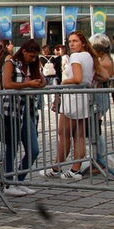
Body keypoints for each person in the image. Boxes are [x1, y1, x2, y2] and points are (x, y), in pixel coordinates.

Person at [44, 31, 100, 180]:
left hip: (73, 98)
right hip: (83, 98)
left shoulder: (76, 56)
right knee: (79, 136)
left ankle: (56, 168)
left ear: (83, 42)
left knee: (64, 135)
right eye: (70, 41)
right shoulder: (89, 56)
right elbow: (99, 76)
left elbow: (77, 78)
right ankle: (75, 169)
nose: (71, 44)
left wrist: (63, 83)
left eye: (75, 41)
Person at [0, 40, 45, 195]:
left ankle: (19, 180)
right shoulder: (10, 63)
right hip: (12, 110)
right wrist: (28, 84)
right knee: (11, 147)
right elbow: (6, 84)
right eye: (31, 56)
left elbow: (42, 81)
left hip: (28, 111)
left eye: (35, 57)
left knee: (33, 149)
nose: (33, 59)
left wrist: (39, 79)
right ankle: (8, 183)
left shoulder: (33, 64)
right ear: (24, 51)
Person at [87, 34, 113, 175]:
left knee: (96, 129)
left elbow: (103, 76)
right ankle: (98, 159)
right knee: (95, 128)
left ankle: (100, 160)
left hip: (99, 97)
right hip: (98, 96)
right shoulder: (103, 59)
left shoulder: (104, 61)